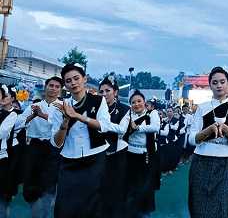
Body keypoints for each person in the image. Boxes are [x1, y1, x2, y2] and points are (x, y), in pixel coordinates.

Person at [50, 63, 112, 218]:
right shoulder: (60, 106)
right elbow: (56, 143)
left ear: (84, 79)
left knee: (93, 206)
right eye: (68, 80)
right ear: (65, 85)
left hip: (95, 158)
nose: (73, 83)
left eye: (76, 78)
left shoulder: (98, 101)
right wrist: (65, 122)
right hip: (69, 160)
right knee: (65, 207)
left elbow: (104, 126)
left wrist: (77, 116)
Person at [187, 66, 228, 218]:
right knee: (199, 205)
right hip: (201, 160)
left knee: (222, 205)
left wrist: (227, 130)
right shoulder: (202, 107)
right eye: (215, 82)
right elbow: (191, 139)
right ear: (210, 86)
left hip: (227, 162)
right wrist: (208, 131)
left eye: (222, 82)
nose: (219, 85)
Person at [20, 76, 62, 218]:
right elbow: (19, 123)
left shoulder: (63, 107)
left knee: (48, 186)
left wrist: (42, 115)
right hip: (34, 147)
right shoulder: (35, 105)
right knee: (30, 185)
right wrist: (33, 115)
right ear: (45, 87)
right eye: (51, 85)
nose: (53, 88)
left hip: (52, 149)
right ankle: (35, 212)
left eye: (57, 86)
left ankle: (45, 211)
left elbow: (59, 126)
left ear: (60, 90)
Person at [124, 90, 160, 218]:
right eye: (133, 102)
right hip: (130, 155)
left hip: (147, 156)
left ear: (144, 102)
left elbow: (156, 127)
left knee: (146, 190)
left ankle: (144, 215)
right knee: (130, 189)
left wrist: (137, 128)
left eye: (139, 101)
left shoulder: (152, 114)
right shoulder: (128, 115)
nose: (136, 104)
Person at [98, 75, 130, 216]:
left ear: (115, 92)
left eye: (107, 91)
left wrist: (103, 125)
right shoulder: (96, 108)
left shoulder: (124, 109)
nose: (104, 94)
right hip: (98, 153)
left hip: (117, 154)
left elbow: (122, 129)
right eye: (102, 91)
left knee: (115, 188)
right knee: (98, 189)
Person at [0, 84, 19, 218]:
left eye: (4, 96)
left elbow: (1, 133)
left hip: (5, 156)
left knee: (2, 195)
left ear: (12, 98)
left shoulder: (13, 114)